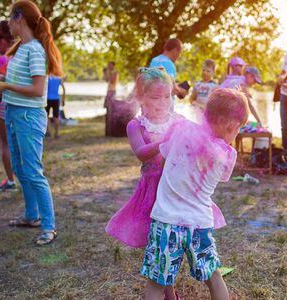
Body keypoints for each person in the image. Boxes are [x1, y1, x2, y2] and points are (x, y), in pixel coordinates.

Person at [105, 68, 226, 300]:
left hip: (179, 189)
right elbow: (141, 153)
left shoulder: (178, 121)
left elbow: (197, 143)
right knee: (160, 246)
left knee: (178, 242)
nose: (162, 102)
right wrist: (165, 139)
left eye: (167, 96)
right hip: (153, 192)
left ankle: (170, 292)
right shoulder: (136, 126)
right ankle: (168, 294)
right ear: (140, 97)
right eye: (155, 97)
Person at [141, 88, 249, 300]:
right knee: (213, 275)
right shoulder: (227, 155)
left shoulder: (182, 131)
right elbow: (219, 175)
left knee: (156, 282)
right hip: (199, 224)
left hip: (165, 221)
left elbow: (162, 160)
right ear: (232, 125)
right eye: (238, 131)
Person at [0, 0, 63, 245]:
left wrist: (7, 85)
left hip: (28, 116)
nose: (8, 23)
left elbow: (38, 89)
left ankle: (49, 226)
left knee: (33, 171)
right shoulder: (22, 48)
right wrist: (4, 78)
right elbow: (24, 80)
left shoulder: (35, 49)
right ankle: (32, 216)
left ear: (19, 18)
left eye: (10, 18)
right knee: (20, 169)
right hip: (13, 113)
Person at [0, 20, 17, 192]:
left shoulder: (2, 58)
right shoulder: (19, 56)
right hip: (20, 104)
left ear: (2, 41)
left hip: (4, 104)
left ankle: (10, 181)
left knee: (5, 144)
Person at [220, 57, 263, 124]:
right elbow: (250, 106)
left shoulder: (233, 78)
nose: (254, 83)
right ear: (249, 76)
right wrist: (259, 122)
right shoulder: (242, 84)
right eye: (254, 81)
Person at [149, 38, 187, 107]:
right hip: (164, 107)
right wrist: (182, 91)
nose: (179, 56)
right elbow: (169, 87)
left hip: (151, 103)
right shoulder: (168, 63)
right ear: (175, 50)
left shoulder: (154, 60)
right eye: (179, 52)